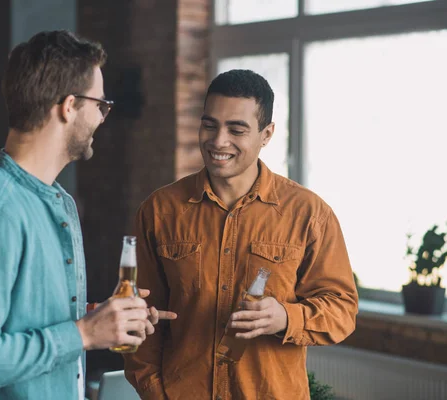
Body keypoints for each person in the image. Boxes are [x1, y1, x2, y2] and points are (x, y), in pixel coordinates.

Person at [0, 30, 174, 400]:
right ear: (69, 106)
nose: (103, 119)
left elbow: (25, 320)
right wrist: (85, 333)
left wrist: (103, 321)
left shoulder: (59, 202)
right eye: (100, 105)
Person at [124, 69, 358, 400]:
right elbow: (138, 315)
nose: (219, 141)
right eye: (210, 125)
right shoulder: (160, 211)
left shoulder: (309, 214)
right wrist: (154, 391)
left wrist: (285, 317)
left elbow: (342, 311)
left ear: (267, 134)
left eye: (237, 129)